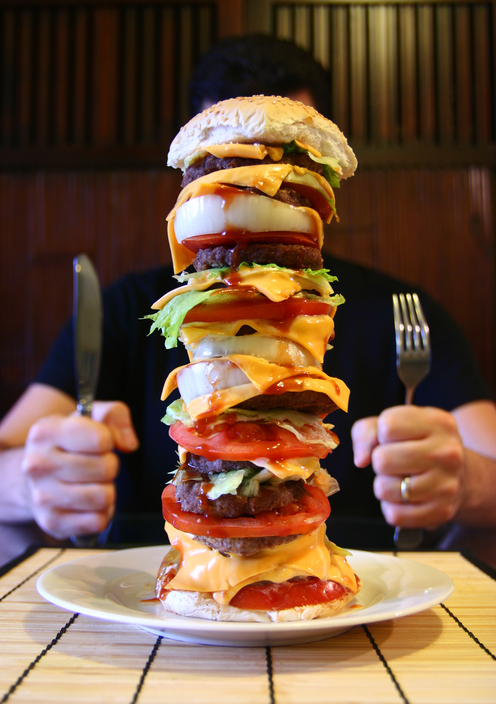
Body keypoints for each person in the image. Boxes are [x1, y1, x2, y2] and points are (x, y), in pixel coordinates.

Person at [0, 35, 495, 562]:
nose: (259, 190)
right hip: (157, 605)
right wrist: (29, 483)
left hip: (356, 599)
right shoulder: (126, 309)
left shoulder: (400, 310)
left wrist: (468, 481)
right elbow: (11, 451)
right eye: (235, 165)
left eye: (285, 164)